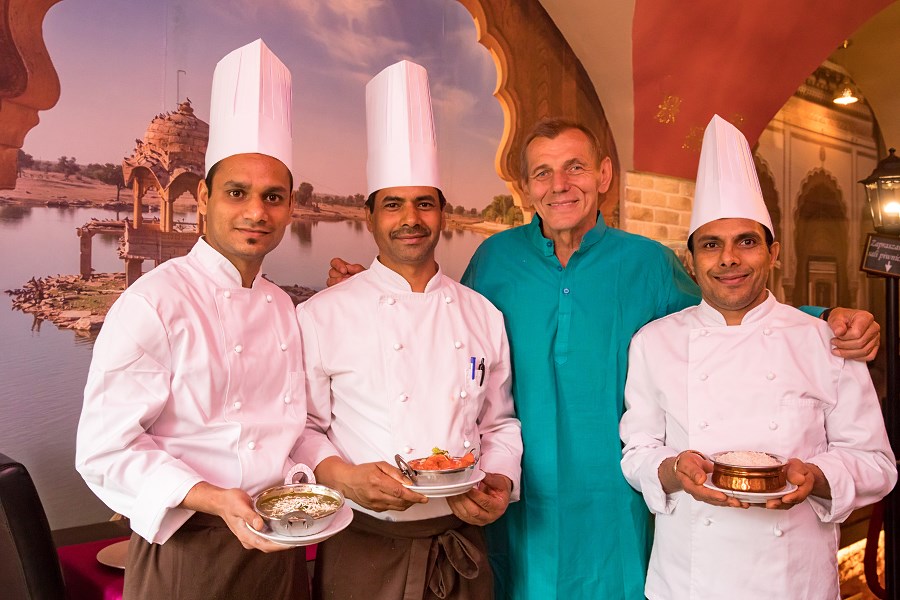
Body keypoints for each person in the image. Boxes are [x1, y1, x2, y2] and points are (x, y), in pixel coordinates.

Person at [327, 117, 880, 598]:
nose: (559, 185)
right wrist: (369, 292)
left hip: (617, 495)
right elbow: (444, 325)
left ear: (605, 175)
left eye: (575, 168)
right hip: (515, 491)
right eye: (543, 172)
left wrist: (824, 315)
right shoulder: (495, 258)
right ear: (526, 187)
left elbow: (728, 309)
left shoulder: (647, 263)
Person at [619, 115, 896, 599]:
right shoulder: (653, 343)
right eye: (711, 245)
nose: (728, 258)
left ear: (774, 253)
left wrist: (817, 478)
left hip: (795, 582)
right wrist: (674, 470)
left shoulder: (825, 340)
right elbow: (638, 451)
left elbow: (876, 463)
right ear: (691, 261)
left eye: (746, 241)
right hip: (689, 583)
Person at [75, 40, 311, 599]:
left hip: (279, 548)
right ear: (203, 197)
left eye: (273, 197)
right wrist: (210, 497)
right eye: (237, 193)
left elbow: (289, 431)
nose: (256, 212)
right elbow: (103, 450)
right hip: (189, 550)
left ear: (289, 209)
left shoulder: (281, 305)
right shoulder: (154, 302)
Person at [296, 60, 522, 600]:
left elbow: (499, 423)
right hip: (362, 548)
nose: (411, 219)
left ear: (443, 212)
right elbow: (300, 427)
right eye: (393, 205)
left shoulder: (483, 314)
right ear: (370, 216)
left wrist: (501, 479)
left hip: (461, 544)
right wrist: (341, 477)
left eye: (425, 203)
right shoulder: (322, 314)